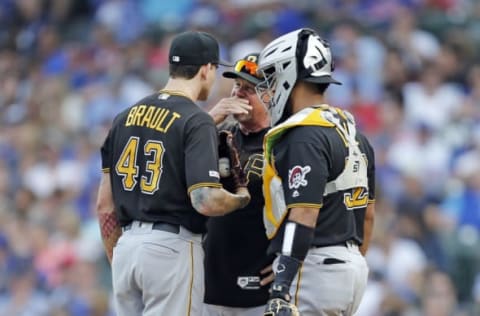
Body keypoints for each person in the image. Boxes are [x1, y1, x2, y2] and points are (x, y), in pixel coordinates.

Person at [95, 30, 250, 316]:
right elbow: (205, 200)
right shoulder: (195, 120)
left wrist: (119, 257)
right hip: (170, 248)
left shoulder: (123, 118)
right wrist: (241, 196)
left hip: (127, 250)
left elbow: (104, 204)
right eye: (214, 69)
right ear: (206, 69)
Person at [255, 28, 376, 315]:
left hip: (314, 266)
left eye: (272, 78)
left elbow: (305, 213)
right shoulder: (354, 132)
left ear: (290, 74)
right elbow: (368, 215)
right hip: (352, 268)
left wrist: (282, 283)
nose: (268, 90)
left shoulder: (304, 134)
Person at [203, 53, 274, 316]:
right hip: (210, 283)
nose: (239, 93)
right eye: (237, 86)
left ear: (271, 94)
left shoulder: (284, 141)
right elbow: (172, 163)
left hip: (258, 285)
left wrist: (293, 258)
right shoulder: (219, 134)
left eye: (250, 89)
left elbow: (311, 207)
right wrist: (209, 120)